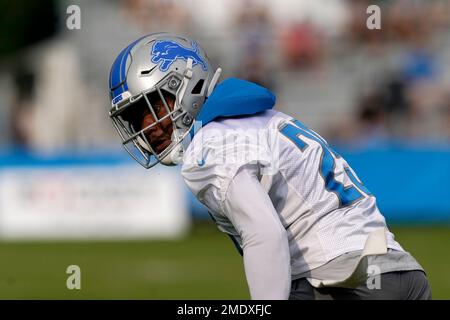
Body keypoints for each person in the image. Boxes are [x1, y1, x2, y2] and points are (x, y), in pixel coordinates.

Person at [107, 33, 431, 300]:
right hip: (401, 272)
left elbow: (264, 234)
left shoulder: (209, 146)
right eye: (135, 119)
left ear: (184, 86)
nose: (147, 127)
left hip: (340, 280)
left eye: (150, 109)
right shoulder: (261, 121)